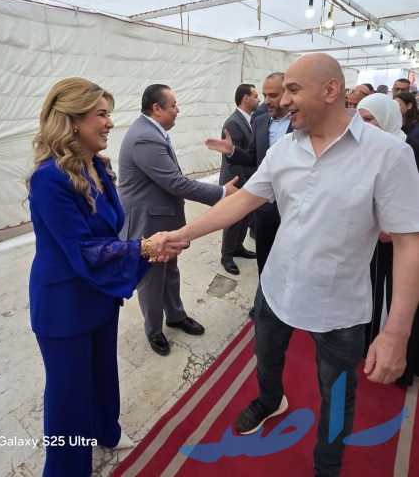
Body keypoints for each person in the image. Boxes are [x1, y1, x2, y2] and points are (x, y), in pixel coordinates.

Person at [158, 54, 419, 477]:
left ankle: (327, 467)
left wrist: (396, 333)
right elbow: (244, 201)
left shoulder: (388, 155)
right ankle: (269, 400)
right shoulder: (285, 148)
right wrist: (184, 234)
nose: (281, 101)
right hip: (276, 288)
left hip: (338, 310)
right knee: (267, 357)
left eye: (293, 90)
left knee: (338, 395)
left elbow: (408, 243)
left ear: (330, 90)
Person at [26, 78, 182, 477]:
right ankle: (66, 469)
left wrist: (147, 248)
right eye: (101, 114)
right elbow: (83, 248)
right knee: (68, 396)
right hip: (64, 303)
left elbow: (111, 233)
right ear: (73, 121)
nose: (110, 123)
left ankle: (105, 431)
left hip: (97, 293)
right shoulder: (48, 178)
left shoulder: (97, 166)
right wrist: (144, 248)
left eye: (109, 113)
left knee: (102, 372)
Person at [118, 84, 238, 356]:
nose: (177, 110)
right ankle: (154, 329)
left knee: (170, 271)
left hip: (162, 217)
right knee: (151, 279)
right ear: (157, 108)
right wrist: (221, 193)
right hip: (148, 222)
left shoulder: (151, 132)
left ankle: (175, 315)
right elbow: (175, 183)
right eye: (173, 105)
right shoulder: (144, 138)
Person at [206, 72, 292, 318]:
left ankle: (289, 302)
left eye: (272, 95)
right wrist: (232, 151)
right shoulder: (261, 121)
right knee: (265, 258)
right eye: (264, 95)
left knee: (290, 259)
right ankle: (264, 302)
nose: (267, 100)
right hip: (265, 206)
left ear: (287, 94)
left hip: (293, 206)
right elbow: (253, 156)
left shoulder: (301, 121)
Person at [357, 93, 419, 386]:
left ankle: (396, 360)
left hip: (400, 242)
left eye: (369, 119)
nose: (363, 126)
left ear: (387, 117)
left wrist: (394, 227)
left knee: (397, 299)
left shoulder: (407, 149)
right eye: (359, 120)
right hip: (371, 240)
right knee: (372, 293)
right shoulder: (363, 149)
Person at [219, 84, 259, 276]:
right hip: (236, 181)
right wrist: (242, 185)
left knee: (244, 218)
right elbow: (232, 159)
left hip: (248, 180)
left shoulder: (249, 120)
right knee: (233, 218)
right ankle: (226, 255)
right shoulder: (233, 123)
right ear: (245, 98)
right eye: (256, 96)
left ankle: (237, 247)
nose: (259, 100)